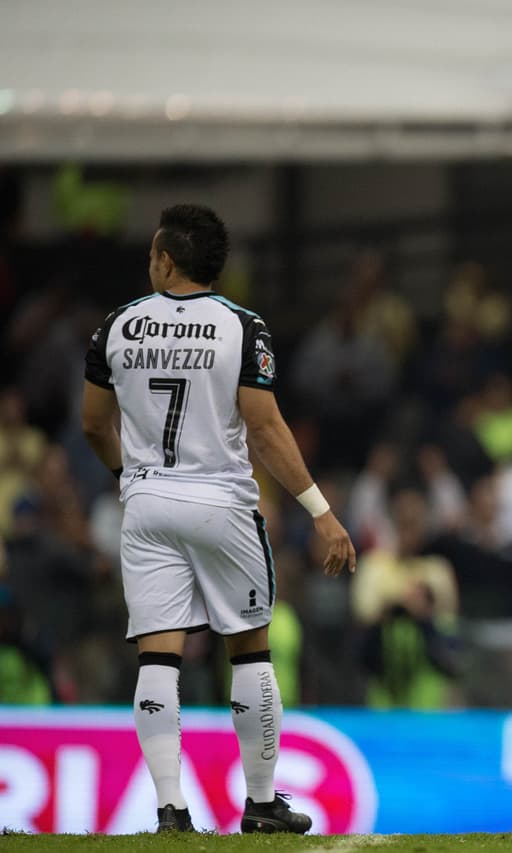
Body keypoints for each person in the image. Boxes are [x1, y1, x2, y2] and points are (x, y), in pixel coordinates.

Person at [81, 204, 357, 834]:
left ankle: (170, 812)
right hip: (220, 503)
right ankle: (259, 804)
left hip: (146, 504)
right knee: (251, 651)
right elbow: (263, 426)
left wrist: (132, 475)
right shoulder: (242, 327)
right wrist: (320, 510)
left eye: (152, 253)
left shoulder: (116, 326)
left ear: (166, 260)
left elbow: (94, 424)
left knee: (158, 657)